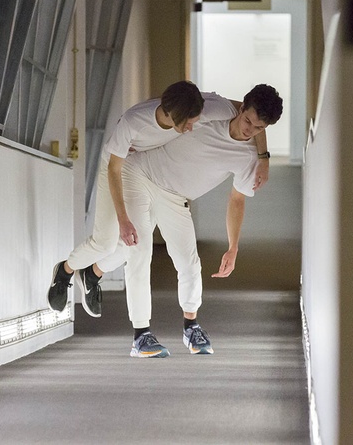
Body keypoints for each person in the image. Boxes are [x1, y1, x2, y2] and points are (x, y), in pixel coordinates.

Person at [46, 80, 270, 317]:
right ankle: (66, 270)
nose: (193, 128)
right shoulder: (135, 122)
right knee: (111, 242)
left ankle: (92, 274)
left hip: (165, 188)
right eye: (189, 124)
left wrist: (264, 156)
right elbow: (113, 169)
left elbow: (247, 118)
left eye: (257, 128)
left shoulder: (221, 119)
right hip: (126, 170)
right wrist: (122, 219)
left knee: (134, 246)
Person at [118, 83, 283, 358]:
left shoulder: (248, 159)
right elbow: (170, 104)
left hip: (176, 197)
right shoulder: (217, 109)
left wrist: (233, 247)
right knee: (138, 251)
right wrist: (132, 135)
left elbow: (237, 200)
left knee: (189, 262)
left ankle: (191, 327)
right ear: (240, 108)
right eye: (247, 121)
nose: (248, 130)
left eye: (257, 128)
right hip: (141, 173)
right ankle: (140, 335)